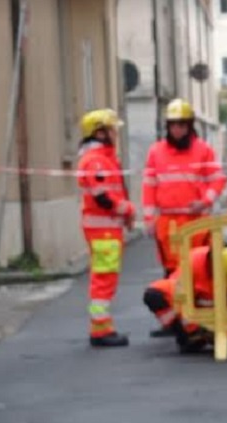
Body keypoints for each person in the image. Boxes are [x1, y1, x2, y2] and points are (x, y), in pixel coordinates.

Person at [143, 99, 226, 338]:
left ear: (189, 126)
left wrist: (205, 200)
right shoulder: (156, 152)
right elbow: (149, 185)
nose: (177, 129)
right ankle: (175, 318)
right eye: (173, 125)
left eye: (181, 125)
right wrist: (149, 217)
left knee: (196, 269)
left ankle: (197, 317)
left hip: (196, 220)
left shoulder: (203, 149)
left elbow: (217, 178)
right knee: (171, 271)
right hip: (167, 222)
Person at [77, 108, 135, 348]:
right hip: (103, 231)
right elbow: (102, 198)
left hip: (106, 229)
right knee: (103, 279)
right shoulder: (96, 160)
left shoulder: (103, 158)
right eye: (112, 130)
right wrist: (127, 209)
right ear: (100, 133)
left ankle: (102, 326)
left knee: (105, 278)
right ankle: (100, 330)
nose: (115, 134)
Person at [143, 245, 227, 354]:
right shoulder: (192, 264)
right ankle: (188, 337)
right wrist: (194, 331)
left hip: (220, 314)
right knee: (154, 295)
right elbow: (180, 301)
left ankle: (207, 336)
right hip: (194, 310)